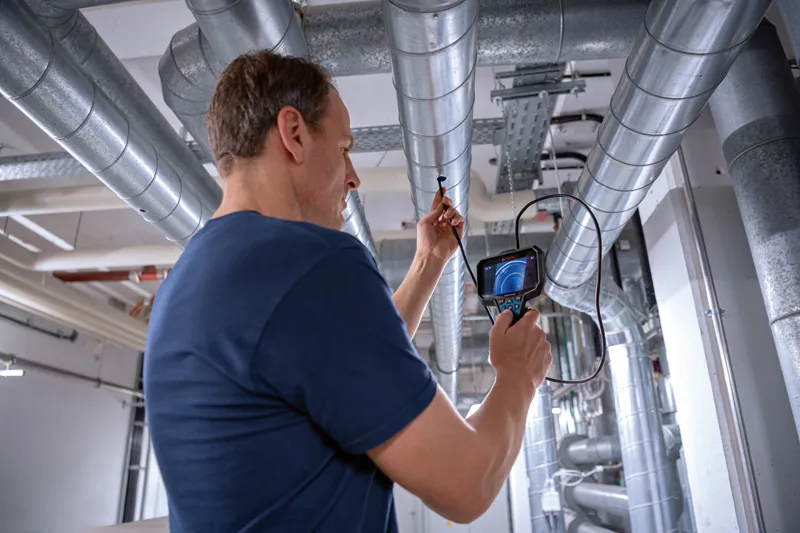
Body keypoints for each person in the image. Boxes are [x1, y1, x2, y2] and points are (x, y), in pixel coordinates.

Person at [144, 50, 553, 533]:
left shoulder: (189, 280)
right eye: (343, 149)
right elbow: (469, 483)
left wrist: (427, 264)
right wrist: (517, 377)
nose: (354, 176)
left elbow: (339, 370)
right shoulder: (312, 264)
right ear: (294, 134)